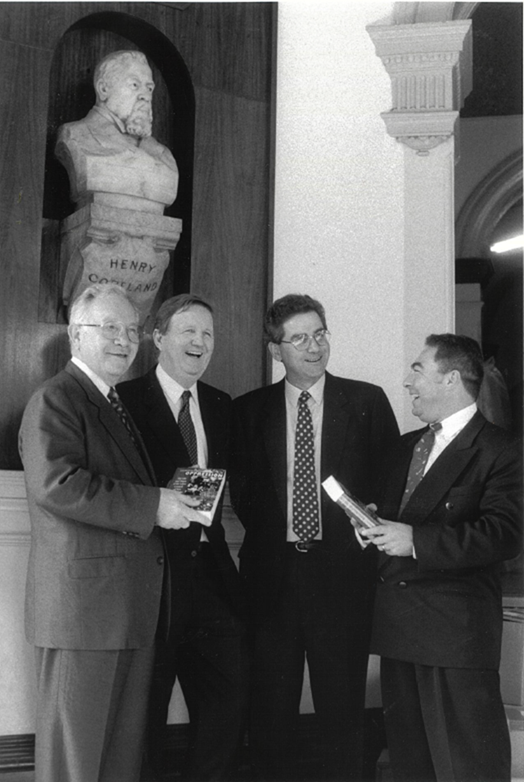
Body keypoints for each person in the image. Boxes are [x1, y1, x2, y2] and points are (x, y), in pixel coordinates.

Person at [19, 284, 209, 782]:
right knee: (75, 762)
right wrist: (154, 505)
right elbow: (56, 484)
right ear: (74, 335)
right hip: (83, 615)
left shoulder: (109, 402)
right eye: (109, 328)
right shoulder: (57, 398)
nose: (123, 341)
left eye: (130, 330)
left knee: (117, 759)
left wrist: (165, 496)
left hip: (122, 612)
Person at [229, 293, 400, 781]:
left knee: (343, 711)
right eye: (299, 338)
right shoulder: (249, 411)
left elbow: (390, 482)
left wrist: (372, 511)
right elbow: (242, 490)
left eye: (320, 333)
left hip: (343, 579)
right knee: (271, 713)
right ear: (275, 350)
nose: (314, 346)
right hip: (272, 580)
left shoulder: (366, 401)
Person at [360, 334, 522, 782]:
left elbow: (504, 535)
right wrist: (373, 523)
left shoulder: (502, 450)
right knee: (413, 765)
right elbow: (400, 519)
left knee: (467, 766)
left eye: (417, 369)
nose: (407, 381)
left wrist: (415, 541)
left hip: (455, 638)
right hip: (398, 629)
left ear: (450, 379)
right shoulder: (405, 446)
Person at [117, 294, 248, 781]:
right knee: (145, 708)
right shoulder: (126, 403)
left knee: (229, 695)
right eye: (189, 331)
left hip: (212, 578)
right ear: (158, 339)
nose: (200, 342)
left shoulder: (219, 405)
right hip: (152, 580)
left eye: (208, 334)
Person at [56, 50, 178, 208]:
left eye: (149, 88)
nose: (145, 96)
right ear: (103, 89)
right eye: (134, 85)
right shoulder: (75, 134)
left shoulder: (164, 156)